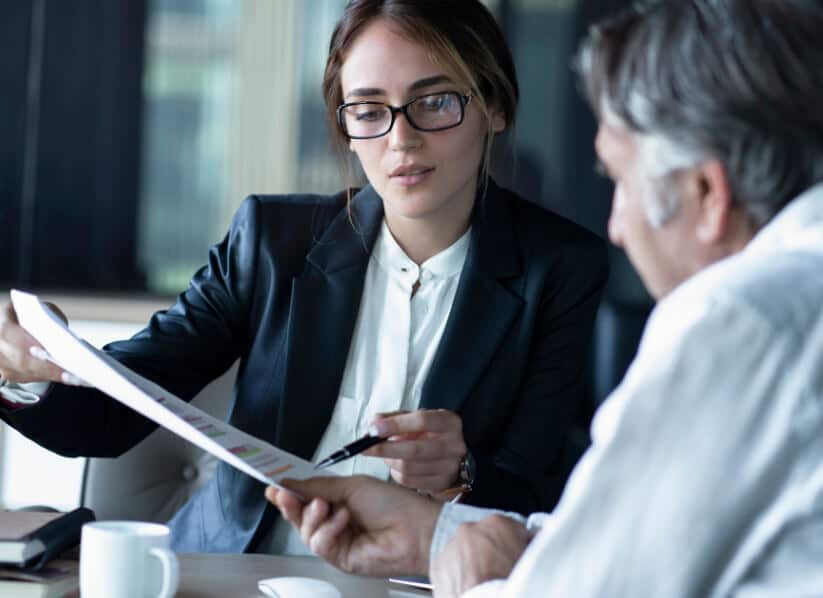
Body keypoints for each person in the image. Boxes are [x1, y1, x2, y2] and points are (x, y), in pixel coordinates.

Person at [0, 0, 608, 554]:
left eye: (434, 102)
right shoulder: (270, 240)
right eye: (369, 110)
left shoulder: (559, 269)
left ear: (494, 106)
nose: (401, 139)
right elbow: (116, 411)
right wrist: (26, 371)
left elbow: (542, 493)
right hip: (227, 576)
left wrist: (462, 475)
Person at [266, 0, 823, 595]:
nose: (617, 225)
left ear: (706, 192)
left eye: (620, 181)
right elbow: (635, 546)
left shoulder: (738, 321)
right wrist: (437, 533)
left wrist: (472, 577)